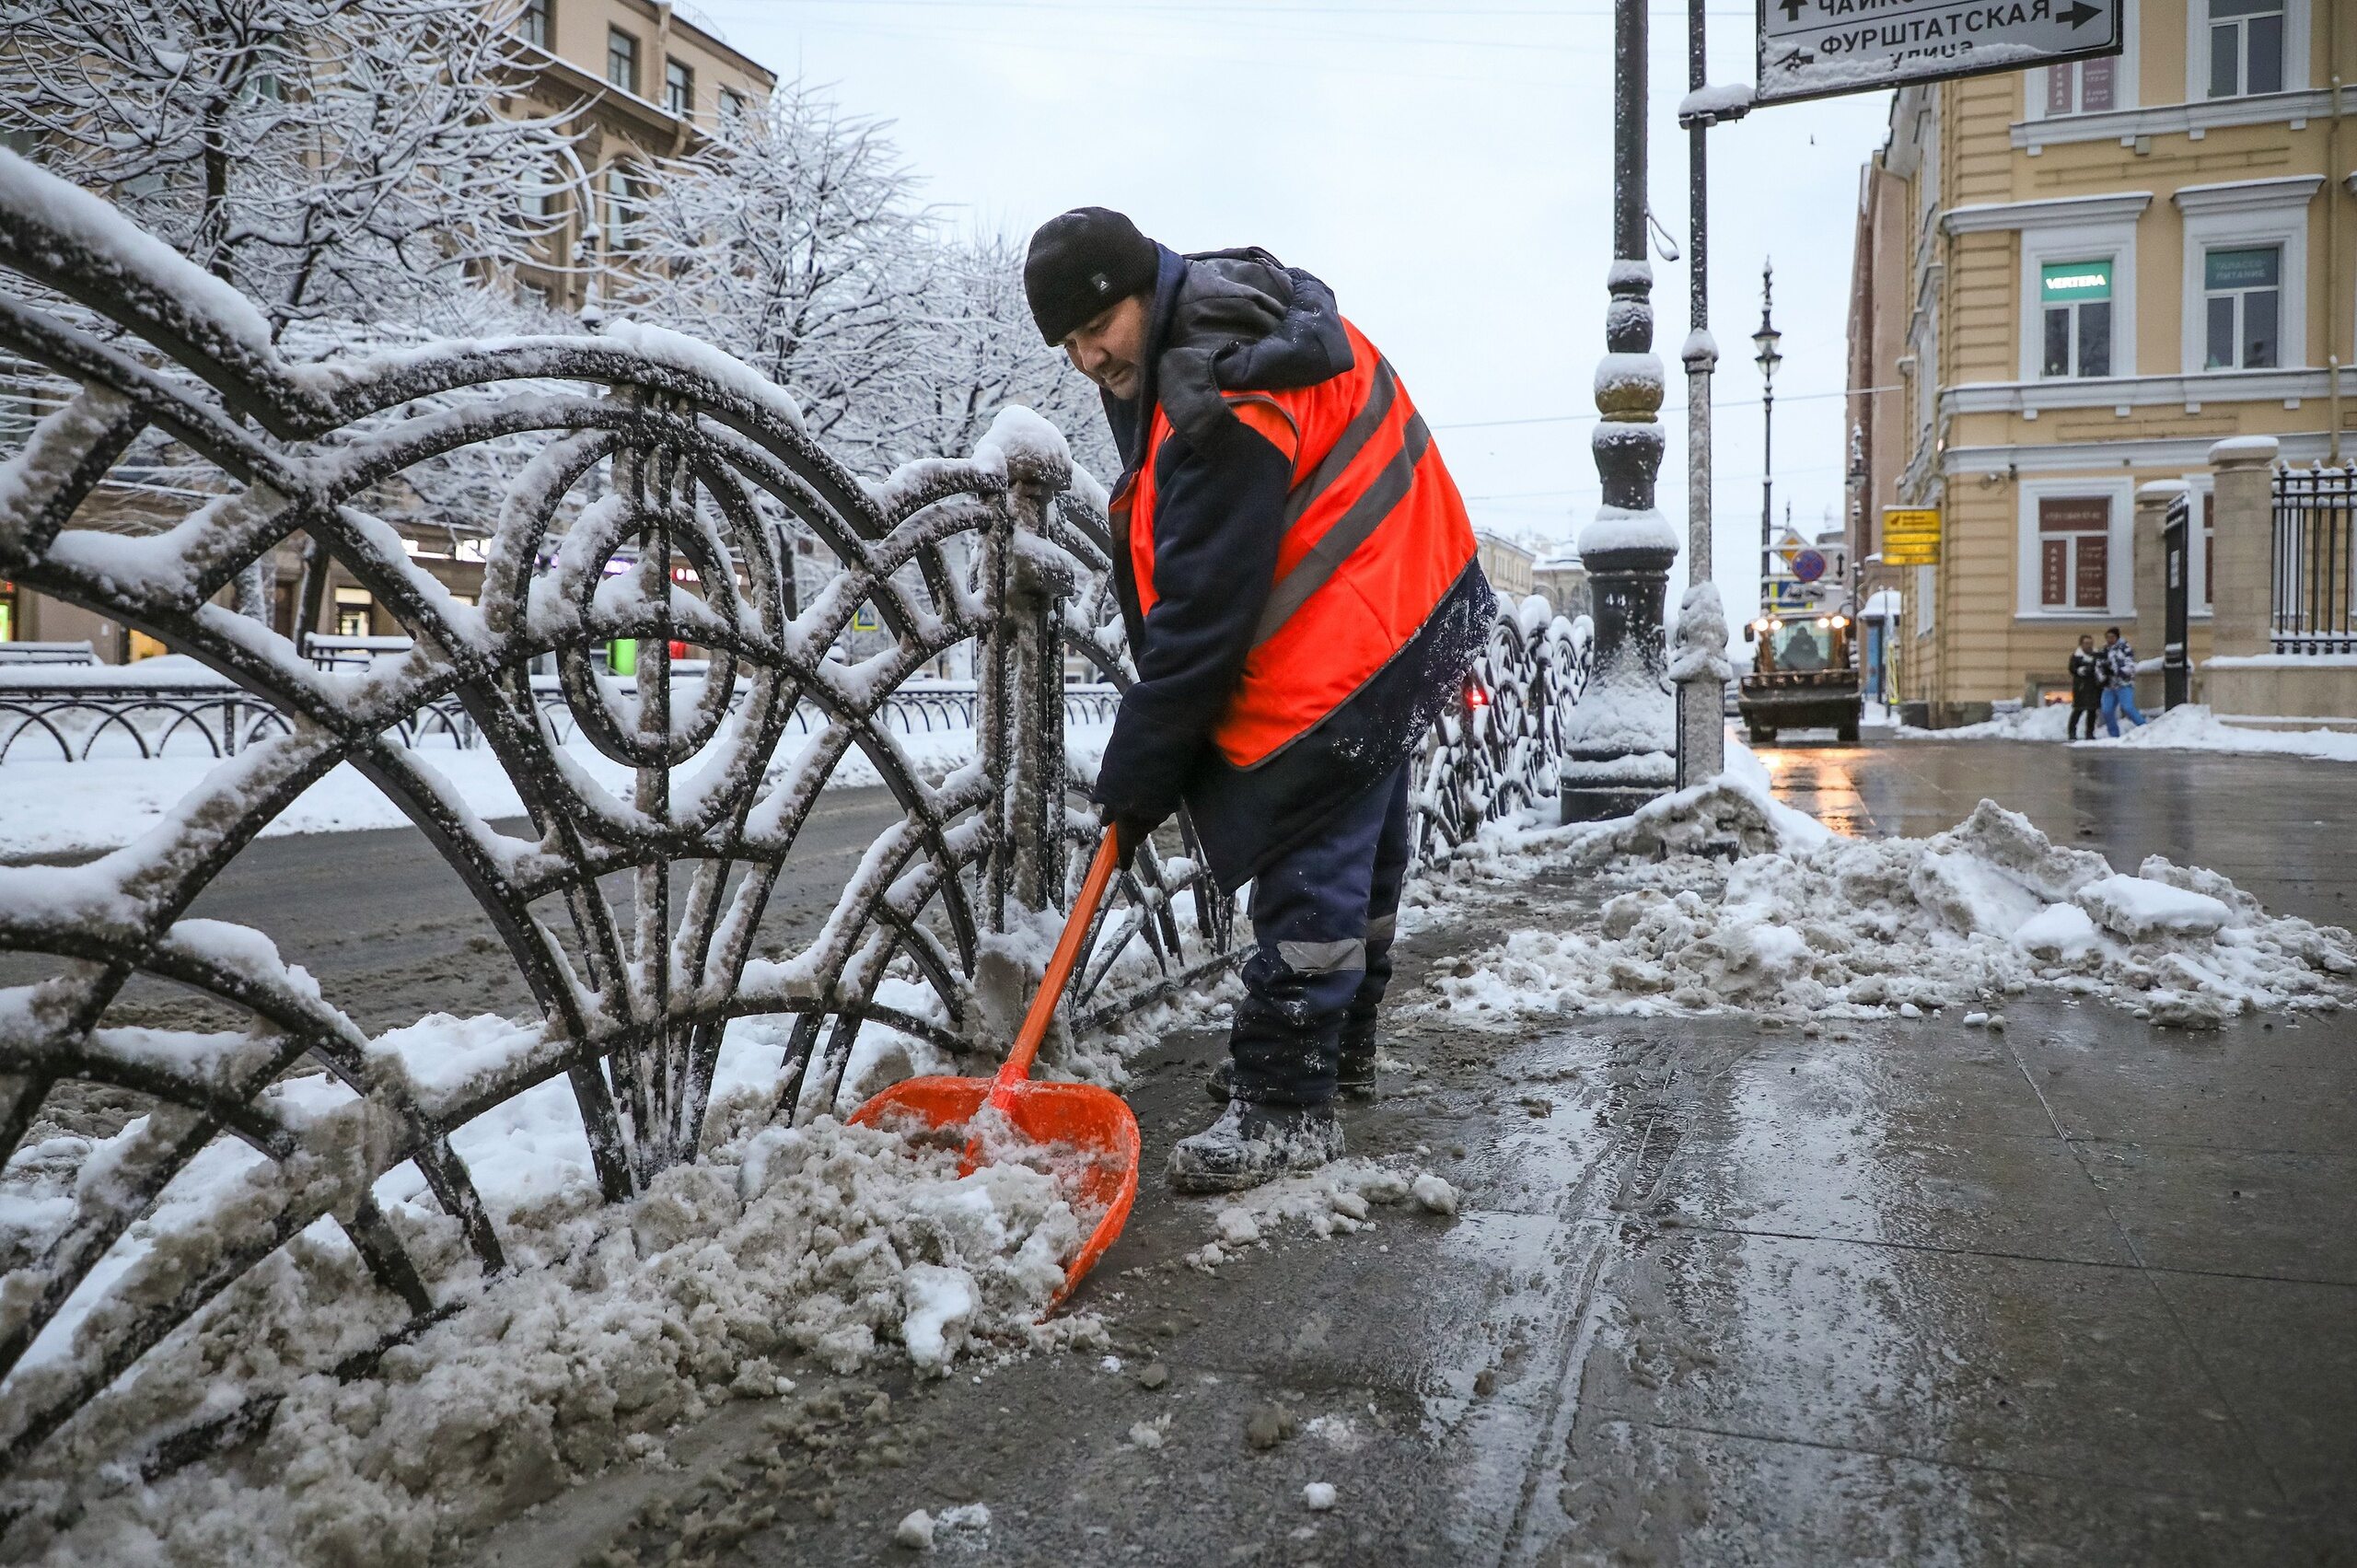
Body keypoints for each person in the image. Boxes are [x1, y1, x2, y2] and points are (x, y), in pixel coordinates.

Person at [1023, 207, 1492, 1192]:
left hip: (1351, 634)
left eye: (1092, 329)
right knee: (1364, 849)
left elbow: (1200, 620)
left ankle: (1286, 1105)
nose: (1083, 358)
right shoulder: (1243, 314)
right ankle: (1337, 1051)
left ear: (1139, 290)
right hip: (1412, 602)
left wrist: (1139, 772)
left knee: (1305, 851)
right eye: (1065, 344)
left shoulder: (1213, 396)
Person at [2099, 625, 2147, 737]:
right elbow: (2099, 665)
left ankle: (2144, 728)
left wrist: (2117, 671)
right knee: (2107, 710)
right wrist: (2102, 675)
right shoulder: (2104, 650)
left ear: (2117, 637)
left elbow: (2130, 666)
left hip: (2123, 684)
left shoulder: (2125, 648)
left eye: (2112, 637)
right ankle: (2114, 734)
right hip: (2109, 685)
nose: (2110, 639)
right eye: (2108, 637)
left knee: (2127, 707)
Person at [2067, 633, 2104, 740]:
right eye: (2086, 643)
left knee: (2092, 711)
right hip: (2081, 687)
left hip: (2093, 687)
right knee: (2078, 710)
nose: (2089, 645)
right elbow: (2072, 668)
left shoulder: (2097, 655)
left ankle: (2090, 733)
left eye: (2090, 643)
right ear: (2081, 644)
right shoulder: (2076, 656)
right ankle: (2072, 732)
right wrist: (2080, 670)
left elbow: (2101, 668)